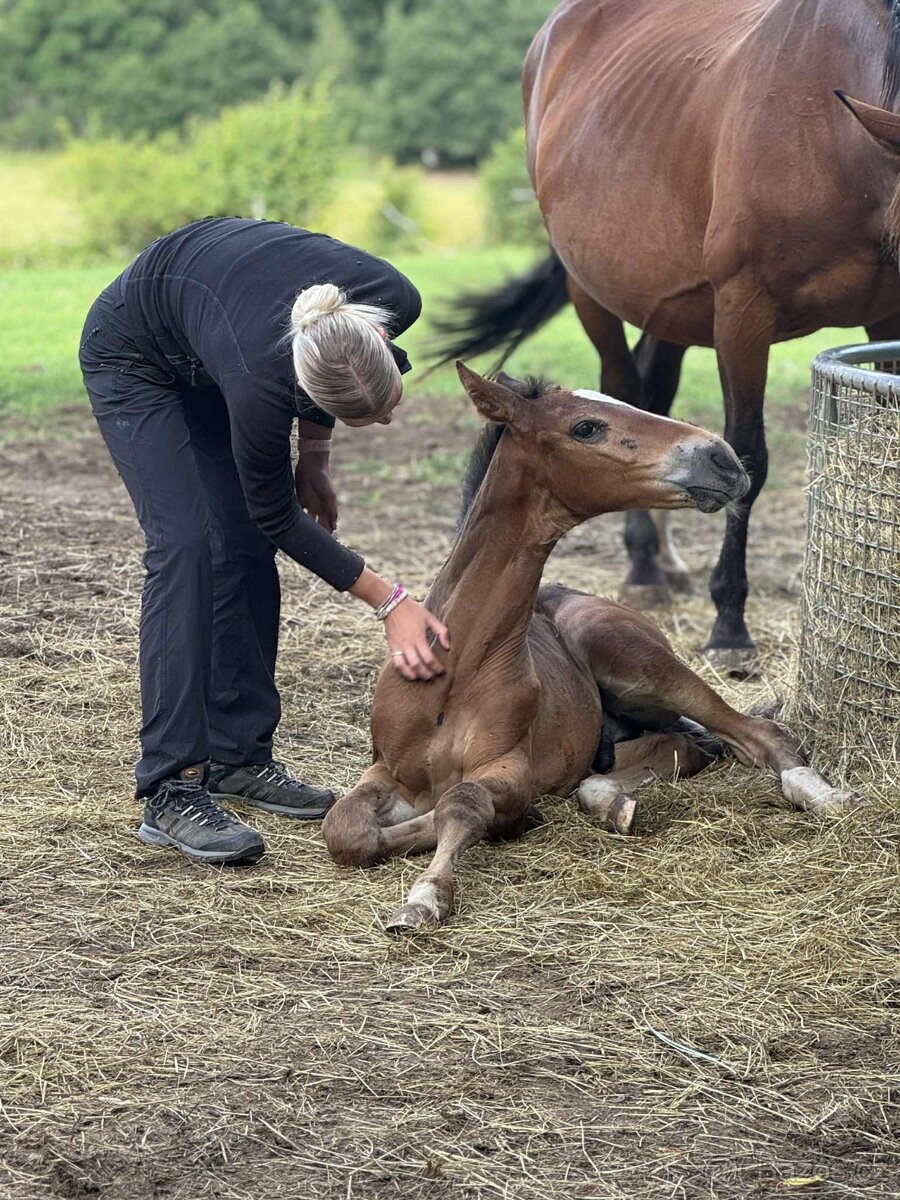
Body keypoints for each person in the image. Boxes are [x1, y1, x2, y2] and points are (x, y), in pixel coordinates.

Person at [79, 217, 449, 866]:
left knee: (243, 545)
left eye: (387, 402)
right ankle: (171, 787)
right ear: (299, 389)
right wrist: (391, 602)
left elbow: (325, 369)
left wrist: (317, 457)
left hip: (214, 332)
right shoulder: (260, 381)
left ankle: (239, 757)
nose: (390, 418)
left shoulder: (392, 296)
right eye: (373, 416)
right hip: (137, 355)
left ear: (381, 333)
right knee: (187, 547)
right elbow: (278, 515)